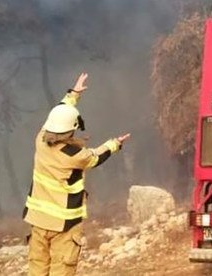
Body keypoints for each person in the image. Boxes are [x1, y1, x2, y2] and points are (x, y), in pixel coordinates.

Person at [24, 72, 130, 276]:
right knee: (62, 270)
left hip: (38, 221)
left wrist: (73, 94)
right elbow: (97, 156)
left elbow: (57, 116)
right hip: (64, 225)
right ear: (72, 129)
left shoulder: (40, 140)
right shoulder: (75, 156)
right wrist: (115, 144)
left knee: (36, 270)